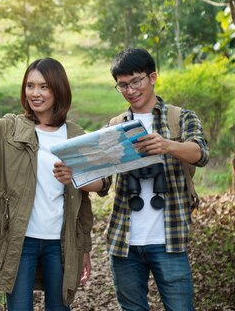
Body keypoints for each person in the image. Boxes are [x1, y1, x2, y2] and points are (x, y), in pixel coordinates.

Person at [0, 58, 104, 311]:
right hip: (20, 240)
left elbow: (90, 197)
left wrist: (84, 248)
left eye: (44, 86)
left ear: (58, 89)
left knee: (60, 307)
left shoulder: (76, 135)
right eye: (30, 86)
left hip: (60, 243)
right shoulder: (10, 128)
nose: (35, 93)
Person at [56, 48, 209, 310]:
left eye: (136, 81)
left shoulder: (180, 117)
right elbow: (103, 183)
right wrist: (74, 177)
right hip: (124, 242)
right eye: (122, 85)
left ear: (153, 77)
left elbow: (200, 153)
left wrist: (166, 146)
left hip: (169, 239)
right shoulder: (115, 125)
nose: (130, 90)